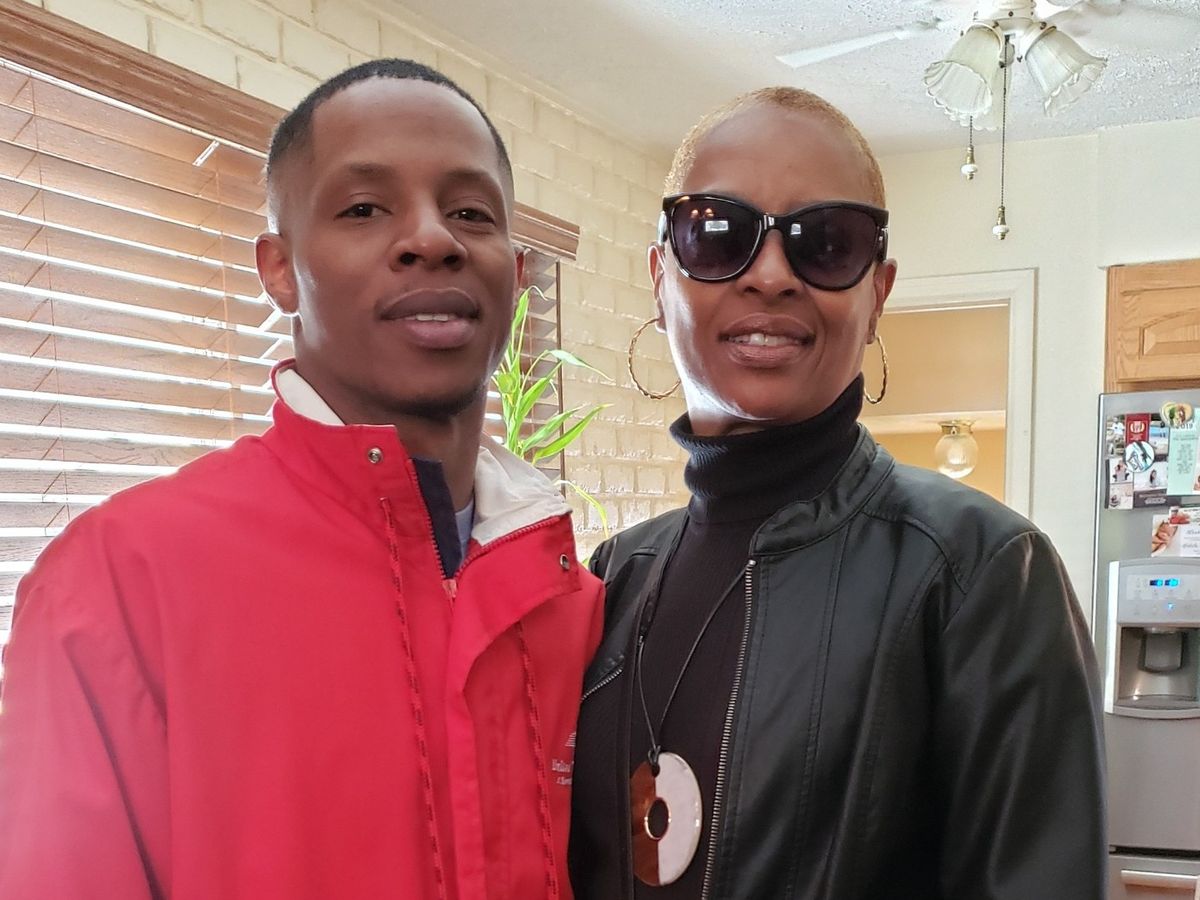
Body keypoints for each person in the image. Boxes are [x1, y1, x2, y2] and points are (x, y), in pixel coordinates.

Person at [0, 59, 603, 900]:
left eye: (471, 212)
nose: (433, 238)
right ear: (279, 270)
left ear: (518, 271)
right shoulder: (119, 583)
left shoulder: (577, 604)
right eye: (364, 209)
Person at [569, 87, 1105, 899]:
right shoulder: (612, 580)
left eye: (826, 243)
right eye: (719, 234)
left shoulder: (981, 573)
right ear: (660, 275)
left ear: (877, 293)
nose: (771, 275)